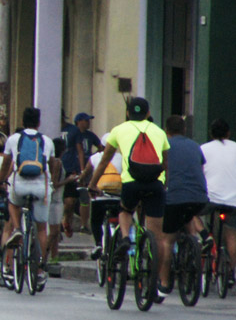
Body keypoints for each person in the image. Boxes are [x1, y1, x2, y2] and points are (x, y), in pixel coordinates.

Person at [88, 97, 169, 277]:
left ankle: (125, 238)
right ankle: (157, 280)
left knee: (125, 210)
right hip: (155, 185)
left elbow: (103, 162)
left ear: (127, 113)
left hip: (131, 183)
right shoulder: (159, 132)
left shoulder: (118, 130)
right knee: (158, 236)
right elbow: (165, 164)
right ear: (148, 113)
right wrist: (165, 185)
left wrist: (92, 184)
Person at [0, 107, 57, 287]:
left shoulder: (14, 139)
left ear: (22, 122)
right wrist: (51, 181)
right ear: (39, 122)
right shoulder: (47, 141)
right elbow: (52, 165)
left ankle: (17, 229)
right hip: (41, 187)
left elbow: (7, 163)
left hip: (20, 184)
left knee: (13, 203)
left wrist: (0, 181)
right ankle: (39, 270)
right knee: (41, 230)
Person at [153, 114, 208, 298]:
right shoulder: (195, 146)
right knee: (189, 216)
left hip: (174, 197)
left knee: (167, 240)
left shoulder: (164, 145)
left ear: (166, 131)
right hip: (200, 197)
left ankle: (164, 283)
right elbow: (200, 169)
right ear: (184, 129)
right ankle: (194, 245)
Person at [200, 118, 236, 285]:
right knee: (230, 234)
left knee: (193, 215)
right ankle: (232, 272)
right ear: (228, 133)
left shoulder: (203, 149)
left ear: (211, 133)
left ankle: (205, 238)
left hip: (211, 199)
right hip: (232, 200)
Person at [61, 112, 103, 236]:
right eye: (85, 120)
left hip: (84, 169)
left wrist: (89, 162)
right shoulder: (72, 132)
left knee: (81, 197)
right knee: (66, 199)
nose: (88, 123)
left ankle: (83, 224)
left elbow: (100, 147)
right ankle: (63, 221)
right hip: (68, 167)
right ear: (79, 121)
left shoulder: (90, 135)